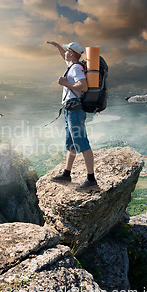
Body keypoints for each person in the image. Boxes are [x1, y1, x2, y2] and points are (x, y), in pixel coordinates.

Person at [46, 41, 98, 191]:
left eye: (68, 50)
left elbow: (83, 86)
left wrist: (65, 83)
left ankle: (91, 179)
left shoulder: (75, 68)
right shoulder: (72, 65)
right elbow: (66, 57)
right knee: (71, 144)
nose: (66, 53)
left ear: (73, 53)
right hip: (70, 110)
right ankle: (67, 174)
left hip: (75, 110)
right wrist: (58, 48)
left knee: (82, 143)